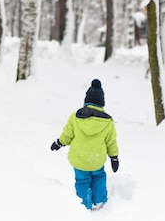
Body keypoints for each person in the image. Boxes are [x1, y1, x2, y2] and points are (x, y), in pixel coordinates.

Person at [51, 79, 119, 210]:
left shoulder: (75, 117)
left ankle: (84, 203)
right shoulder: (107, 122)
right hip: (97, 159)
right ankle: (99, 200)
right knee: (98, 177)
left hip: (79, 158)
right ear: (101, 103)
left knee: (82, 180)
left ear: (86, 101)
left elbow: (67, 134)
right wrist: (114, 157)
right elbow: (111, 141)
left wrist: (58, 143)